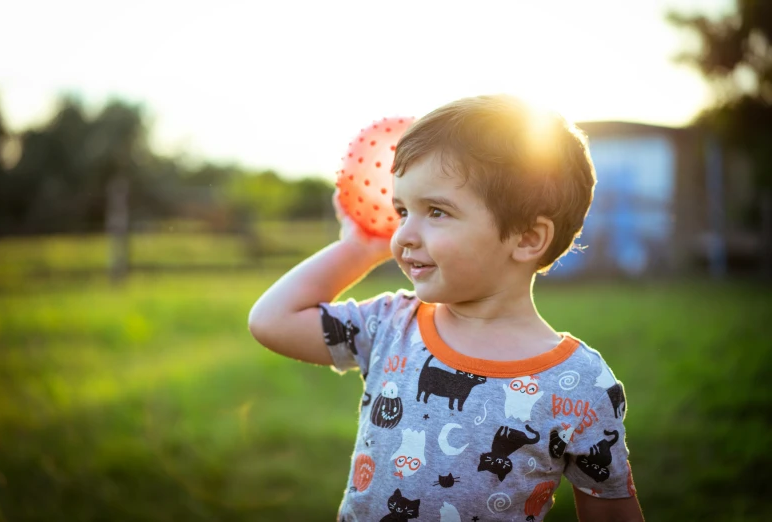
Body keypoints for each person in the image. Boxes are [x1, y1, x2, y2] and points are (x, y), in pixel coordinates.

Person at [248, 94, 644, 521]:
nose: (403, 236)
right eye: (402, 211)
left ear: (528, 238)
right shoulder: (388, 325)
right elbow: (271, 321)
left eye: (436, 211)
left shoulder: (579, 385)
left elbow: (612, 514)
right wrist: (359, 248)